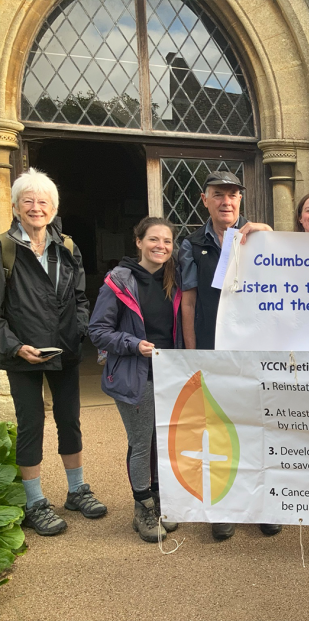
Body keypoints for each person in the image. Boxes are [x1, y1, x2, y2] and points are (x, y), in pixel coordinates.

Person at [0, 168, 106, 536]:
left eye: (42, 201)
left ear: (53, 207)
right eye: (27, 200)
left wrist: (76, 333)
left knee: (69, 420)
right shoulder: (4, 249)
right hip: (22, 355)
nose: (35, 207)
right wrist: (15, 347)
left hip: (64, 350)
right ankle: (34, 502)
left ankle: (76, 490)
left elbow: (80, 298)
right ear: (15, 207)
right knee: (31, 424)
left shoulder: (68, 247)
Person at [178, 170, 280, 540]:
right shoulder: (191, 245)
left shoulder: (260, 238)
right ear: (205, 200)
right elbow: (188, 303)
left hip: (255, 352)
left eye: (232, 195)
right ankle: (222, 507)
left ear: (240, 200)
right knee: (218, 431)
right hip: (213, 350)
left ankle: (263, 504)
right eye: (218, 194)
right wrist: (192, 354)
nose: (226, 201)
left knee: (258, 426)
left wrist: (271, 237)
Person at [89, 217, 182, 543]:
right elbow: (97, 331)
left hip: (168, 374)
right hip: (134, 374)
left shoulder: (175, 277)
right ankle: (142, 506)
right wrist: (133, 344)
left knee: (161, 442)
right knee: (141, 443)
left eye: (167, 241)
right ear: (139, 241)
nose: (161, 246)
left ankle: (156, 499)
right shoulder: (119, 281)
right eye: (154, 240)